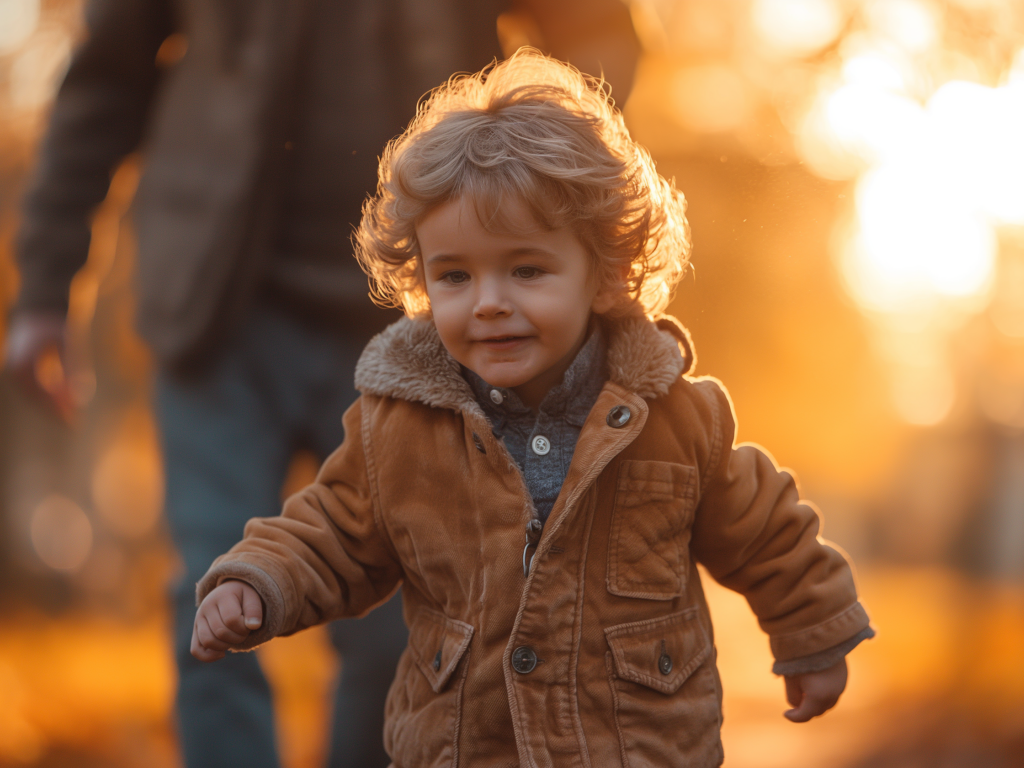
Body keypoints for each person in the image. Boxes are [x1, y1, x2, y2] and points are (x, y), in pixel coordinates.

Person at [190, 49, 874, 767]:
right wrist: (256, 581)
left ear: (606, 272)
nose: (489, 302)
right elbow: (330, 531)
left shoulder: (674, 418)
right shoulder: (398, 430)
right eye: (455, 276)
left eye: (526, 269)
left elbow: (766, 531)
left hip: (635, 750)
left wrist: (813, 633)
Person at [2, 2, 639, 768]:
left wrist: (543, 187)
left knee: (406, 620)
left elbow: (599, 31)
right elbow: (107, 76)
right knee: (214, 590)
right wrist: (44, 286)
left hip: (425, 325)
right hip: (215, 311)